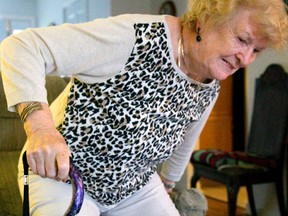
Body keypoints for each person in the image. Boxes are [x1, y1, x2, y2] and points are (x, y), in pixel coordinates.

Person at [1, 0, 287, 215]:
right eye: (242, 40)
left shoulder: (210, 82)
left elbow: (187, 137)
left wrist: (168, 183)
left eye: (256, 51)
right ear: (206, 19)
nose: (245, 59)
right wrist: (41, 129)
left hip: (134, 185)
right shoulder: (134, 37)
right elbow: (21, 47)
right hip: (62, 174)